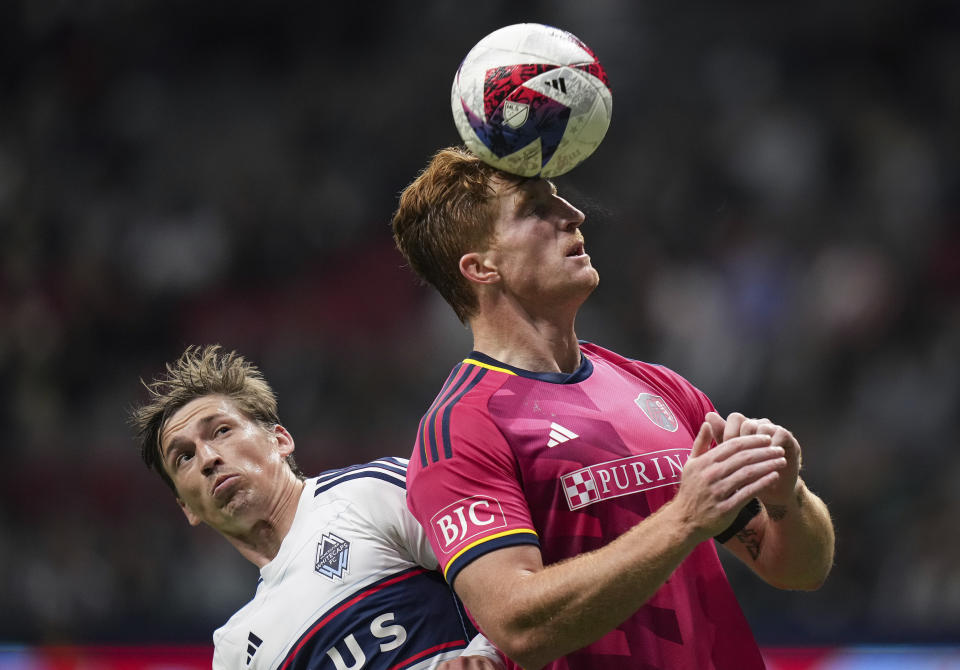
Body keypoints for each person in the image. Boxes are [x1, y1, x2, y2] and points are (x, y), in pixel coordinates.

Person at [390, 146, 836, 670]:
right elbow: (517, 625)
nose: (573, 215)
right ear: (481, 267)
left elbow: (800, 571)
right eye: (535, 209)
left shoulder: (661, 388)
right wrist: (685, 518)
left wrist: (788, 495)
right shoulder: (462, 428)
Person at [130, 344, 502, 670]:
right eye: (183, 457)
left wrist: (487, 653)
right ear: (186, 508)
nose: (208, 457)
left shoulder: (371, 492)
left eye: (221, 431)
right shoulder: (235, 649)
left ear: (280, 440)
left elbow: (513, 579)